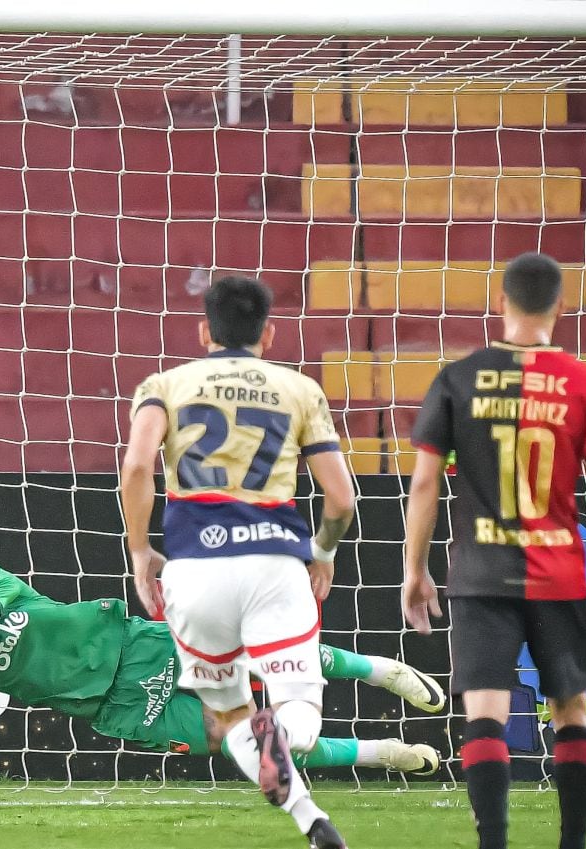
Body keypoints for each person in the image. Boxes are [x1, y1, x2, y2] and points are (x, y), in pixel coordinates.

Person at [0, 520, 443, 787]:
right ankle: (382, 752)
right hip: (115, 705)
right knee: (245, 743)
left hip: (130, 642)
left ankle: (379, 670)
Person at [401, 252, 586, 849]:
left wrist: (414, 569)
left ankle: (493, 845)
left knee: (485, 712)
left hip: (479, 573)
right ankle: (573, 844)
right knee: (571, 710)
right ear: (560, 306)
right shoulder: (585, 384)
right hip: (557, 571)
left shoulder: (457, 378)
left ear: (499, 303)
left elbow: (425, 482)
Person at [120, 275, 356, 849]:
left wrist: (139, 549)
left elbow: (135, 469)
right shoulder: (299, 389)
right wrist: (321, 554)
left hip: (194, 569)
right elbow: (343, 498)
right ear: (269, 333)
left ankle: (310, 820)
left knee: (228, 719)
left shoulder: (164, 385)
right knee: (299, 709)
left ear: (205, 330)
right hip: (274, 564)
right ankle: (281, 734)